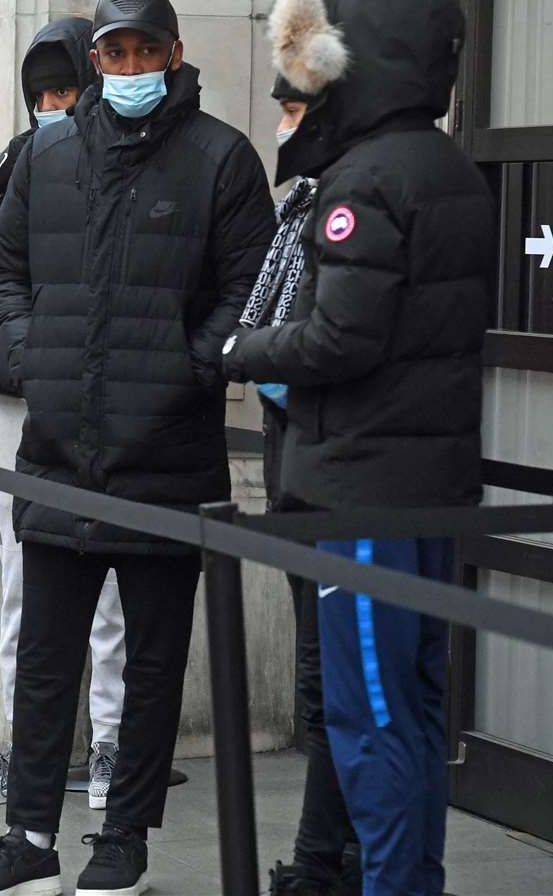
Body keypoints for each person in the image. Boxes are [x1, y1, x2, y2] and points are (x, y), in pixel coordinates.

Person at [0, 0, 274, 896]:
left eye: (144, 51)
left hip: (166, 450)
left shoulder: (221, 158)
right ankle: (28, 835)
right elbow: (2, 270)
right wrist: (31, 356)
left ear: (172, 54)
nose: (128, 67)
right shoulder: (50, 157)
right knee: (46, 656)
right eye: (113, 53)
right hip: (57, 442)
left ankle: (123, 834)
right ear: (96, 61)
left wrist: (185, 368)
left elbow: (246, 290)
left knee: (151, 664)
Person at [223, 0, 494, 896]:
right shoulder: (448, 166)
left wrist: (246, 348)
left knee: (369, 712)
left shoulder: (366, 179)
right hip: (428, 485)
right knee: (413, 709)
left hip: (366, 487)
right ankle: (412, 881)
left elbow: (342, 336)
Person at [0, 18, 130, 812]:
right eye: (42, 95)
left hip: (116, 397)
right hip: (22, 395)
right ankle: (30, 752)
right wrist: (2, 172)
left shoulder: (136, 157)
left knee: (113, 592)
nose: (54, 105)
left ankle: (112, 746)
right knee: (24, 579)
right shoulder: (23, 159)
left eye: (67, 90)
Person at [244, 75, 362, 896]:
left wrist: (254, 357)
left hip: (338, 476)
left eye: (293, 109)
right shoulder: (301, 201)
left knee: (338, 691)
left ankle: (328, 862)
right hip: (297, 471)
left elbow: (322, 343)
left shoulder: (351, 199)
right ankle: (330, 856)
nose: (282, 125)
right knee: (324, 687)